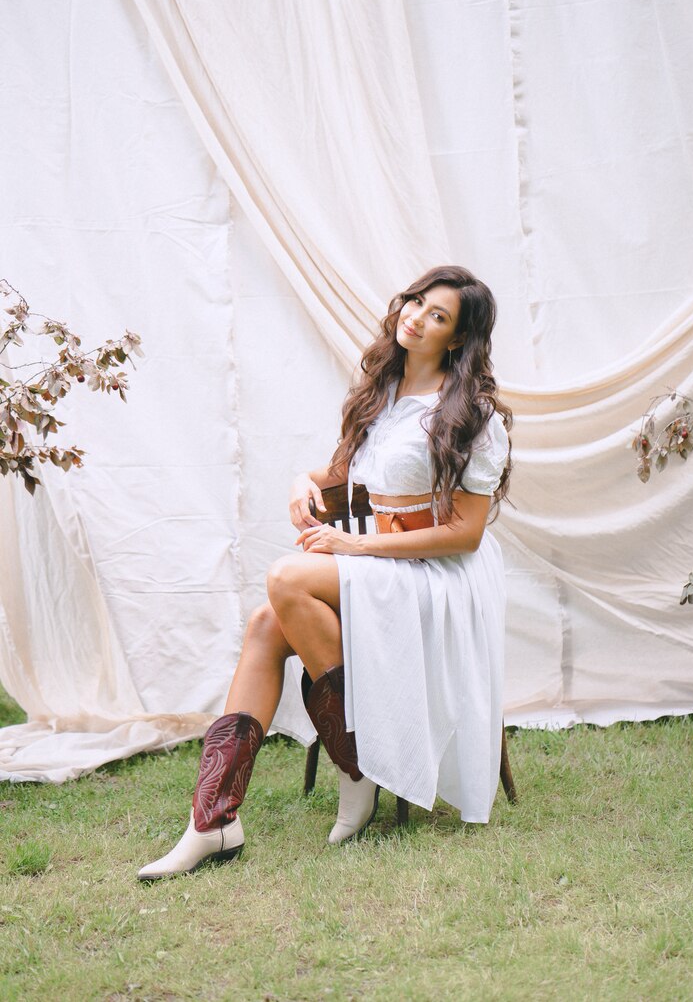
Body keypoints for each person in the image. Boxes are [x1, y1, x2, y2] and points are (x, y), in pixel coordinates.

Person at [137, 265, 512, 881]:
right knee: (266, 623)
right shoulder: (382, 390)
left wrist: (350, 548)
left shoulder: (471, 412)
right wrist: (301, 482)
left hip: (437, 578)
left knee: (286, 579)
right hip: (379, 566)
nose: (416, 316)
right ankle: (213, 820)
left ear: (458, 338)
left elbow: (465, 534)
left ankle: (357, 766)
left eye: (438, 315)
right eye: (417, 301)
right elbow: (343, 474)